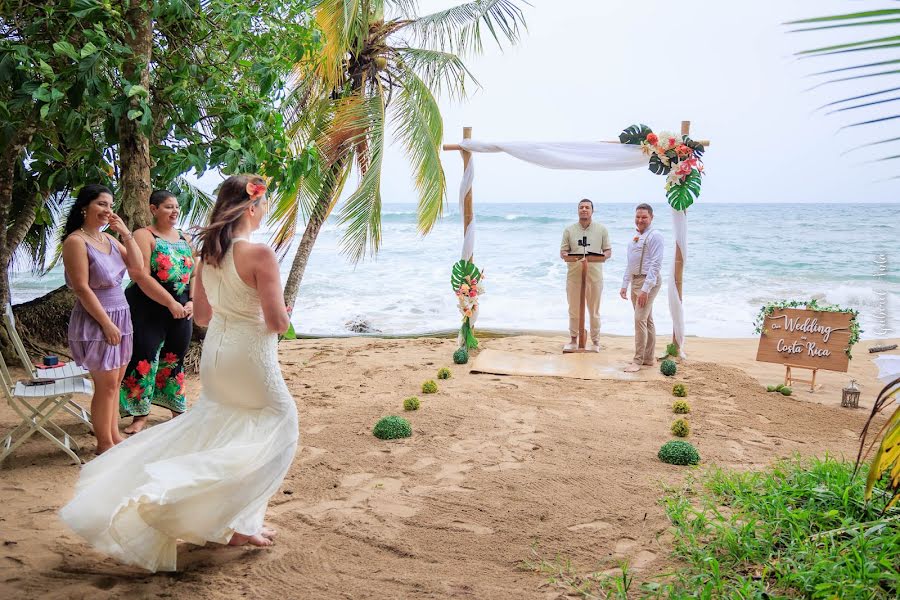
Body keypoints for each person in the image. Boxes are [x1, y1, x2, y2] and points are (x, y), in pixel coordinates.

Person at [60, 174, 298, 572]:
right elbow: (276, 322)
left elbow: (202, 316)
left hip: (218, 356)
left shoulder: (208, 254)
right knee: (282, 425)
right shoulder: (261, 256)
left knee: (222, 426)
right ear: (252, 208)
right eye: (264, 203)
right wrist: (283, 314)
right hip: (251, 355)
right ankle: (225, 516)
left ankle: (238, 523)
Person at [62, 184, 144, 454]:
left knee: (115, 384)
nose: (107, 210)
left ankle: (114, 437)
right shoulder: (76, 241)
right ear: (85, 206)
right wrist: (106, 324)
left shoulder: (107, 239)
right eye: (101, 204)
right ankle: (104, 444)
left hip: (121, 312)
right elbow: (82, 287)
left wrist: (125, 233)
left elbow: (137, 268)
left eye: (110, 205)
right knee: (106, 385)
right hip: (97, 316)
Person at [120, 190, 196, 434]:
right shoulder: (144, 235)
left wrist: (192, 301)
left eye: (176, 207)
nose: (174, 211)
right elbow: (140, 275)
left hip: (182, 307)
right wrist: (169, 303)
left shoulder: (185, 238)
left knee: (175, 357)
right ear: (153, 209)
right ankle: (139, 415)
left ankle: (176, 409)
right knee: (144, 357)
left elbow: (194, 273)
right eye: (167, 207)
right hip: (148, 306)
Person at [559, 198, 611, 352]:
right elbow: (563, 251)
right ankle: (574, 339)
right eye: (581, 207)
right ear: (578, 210)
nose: (584, 209)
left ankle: (595, 342)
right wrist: (566, 255)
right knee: (573, 309)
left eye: (587, 207)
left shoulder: (601, 229)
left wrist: (604, 256)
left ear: (592, 211)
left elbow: (608, 251)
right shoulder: (569, 230)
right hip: (574, 276)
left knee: (594, 311)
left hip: (594, 277)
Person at [619, 203, 664, 372]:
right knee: (647, 320)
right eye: (638, 217)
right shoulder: (634, 238)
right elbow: (630, 264)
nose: (640, 220)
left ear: (651, 218)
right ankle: (648, 358)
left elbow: (655, 264)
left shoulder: (655, 235)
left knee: (639, 320)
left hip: (649, 282)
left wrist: (645, 289)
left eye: (644, 217)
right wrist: (625, 284)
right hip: (635, 281)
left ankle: (637, 361)